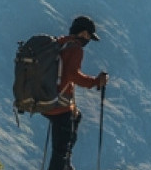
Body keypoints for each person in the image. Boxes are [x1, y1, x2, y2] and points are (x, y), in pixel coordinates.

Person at [44, 15, 108, 170]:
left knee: (76, 116)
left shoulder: (61, 43)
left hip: (47, 99)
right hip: (60, 107)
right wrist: (95, 82)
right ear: (84, 33)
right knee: (60, 150)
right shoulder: (75, 49)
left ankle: (66, 164)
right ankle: (63, 165)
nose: (88, 40)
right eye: (89, 36)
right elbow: (73, 74)